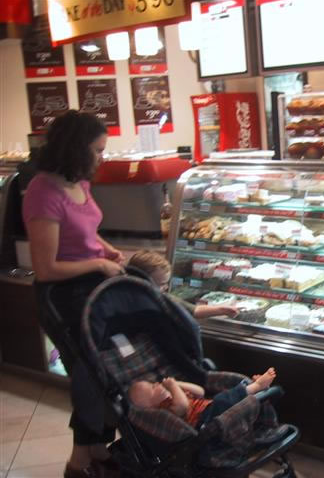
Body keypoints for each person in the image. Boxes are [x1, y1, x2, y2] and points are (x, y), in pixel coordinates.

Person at [22, 110, 125, 478]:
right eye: (97, 150)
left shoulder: (78, 182)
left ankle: (99, 449)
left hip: (90, 291)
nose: (102, 158)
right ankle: (79, 462)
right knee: (90, 376)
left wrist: (106, 249)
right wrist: (97, 264)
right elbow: (46, 268)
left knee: (108, 371)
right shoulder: (42, 193)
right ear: (75, 148)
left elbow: (86, 229)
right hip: (62, 298)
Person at [128, 368, 276, 428]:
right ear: (150, 405)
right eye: (152, 388)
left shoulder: (174, 393)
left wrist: (177, 384)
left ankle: (251, 387)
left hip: (210, 409)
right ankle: (255, 387)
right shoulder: (164, 410)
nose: (156, 384)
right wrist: (172, 386)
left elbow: (200, 391)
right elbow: (183, 407)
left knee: (225, 397)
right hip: (205, 421)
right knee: (222, 400)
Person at [127, 249, 238, 320]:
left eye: (166, 283)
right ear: (141, 282)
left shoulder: (163, 298)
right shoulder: (125, 304)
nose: (166, 287)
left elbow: (194, 310)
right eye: (161, 284)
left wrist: (221, 310)